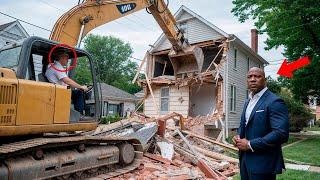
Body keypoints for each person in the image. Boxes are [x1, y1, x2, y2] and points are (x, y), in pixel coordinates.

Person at [232, 67, 289, 180]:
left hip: (263, 164)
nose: (253, 79)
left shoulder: (274, 101)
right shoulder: (248, 101)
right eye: (249, 77)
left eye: (257, 76)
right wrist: (238, 137)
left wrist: (250, 144)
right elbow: (245, 125)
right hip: (244, 161)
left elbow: (280, 133)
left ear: (265, 80)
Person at [45, 50, 88, 115]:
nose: (67, 61)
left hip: (57, 89)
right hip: (59, 91)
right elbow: (67, 81)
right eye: (66, 58)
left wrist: (75, 87)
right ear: (61, 58)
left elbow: (64, 83)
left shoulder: (52, 67)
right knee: (79, 93)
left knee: (75, 90)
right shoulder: (58, 67)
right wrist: (81, 87)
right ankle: (80, 115)